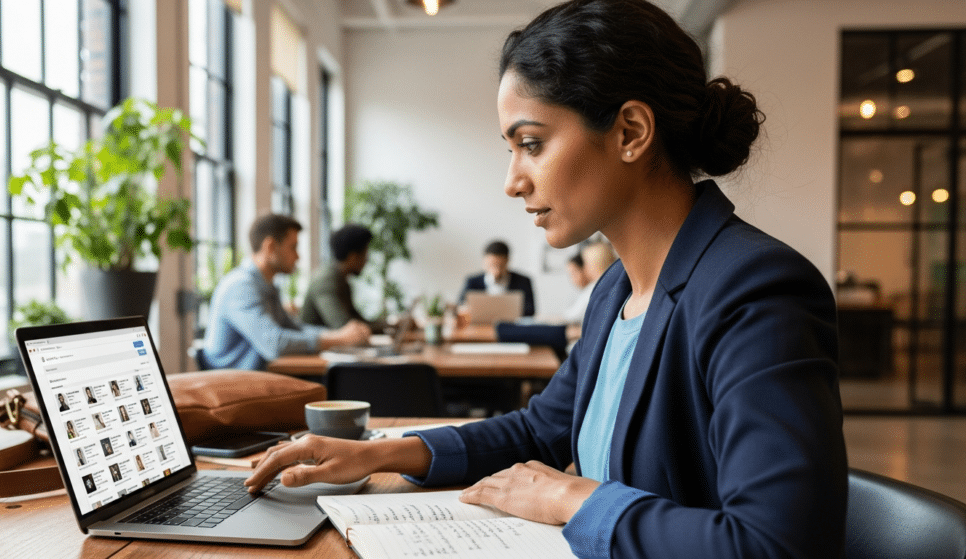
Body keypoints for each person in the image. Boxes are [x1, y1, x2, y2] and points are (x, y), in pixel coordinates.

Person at [244, 1, 847, 557]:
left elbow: (776, 545)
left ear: (631, 132)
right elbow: (542, 429)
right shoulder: (617, 291)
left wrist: (568, 499)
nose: (513, 180)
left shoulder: (755, 288)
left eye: (531, 143)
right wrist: (377, 453)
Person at [204, 214, 372, 370]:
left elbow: (294, 328)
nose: (298, 256)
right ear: (270, 247)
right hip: (231, 385)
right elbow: (273, 343)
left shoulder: (266, 285)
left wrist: (339, 334)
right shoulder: (241, 286)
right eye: (293, 247)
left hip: (257, 378)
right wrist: (338, 339)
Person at [301, 223, 388, 333]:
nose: (367, 260)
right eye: (365, 253)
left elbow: (357, 321)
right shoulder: (326, 281)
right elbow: (344, 327)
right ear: (352, 256)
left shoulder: (341, 280)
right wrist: (388, 328)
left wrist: (391, 326)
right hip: (315, 350)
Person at [458, 240, 535, 317]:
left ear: (508, 261)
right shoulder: (472, 281)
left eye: (501, 265)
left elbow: (530, 310)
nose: (497, 271)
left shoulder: (523, 281)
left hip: (510, 325)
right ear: (484, 261)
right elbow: (461, 305)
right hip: (479, 326)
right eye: (492, 265)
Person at [563, 242, 616, 324]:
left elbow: (572, 316)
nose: (584, 269)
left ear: (595, 265)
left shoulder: (596, 289)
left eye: (586, 264)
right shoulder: (609, 285)